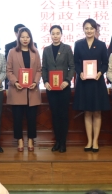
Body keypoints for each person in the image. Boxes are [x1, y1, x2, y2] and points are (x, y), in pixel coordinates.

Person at [73, 18, 110, 152]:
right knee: (87, 112)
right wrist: (80, 72)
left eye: (91, 28)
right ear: (83, 29)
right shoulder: (78, 44)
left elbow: (105, 63)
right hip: (84, 82)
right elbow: (76, 62)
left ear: (95, 30)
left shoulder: (101, 45)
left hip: (97, 82)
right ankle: (89, 141)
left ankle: (95, 141)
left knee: (97, 112)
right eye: (86, 28)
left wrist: (100, 72)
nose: (89, 31)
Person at [7, 27, 42, 152]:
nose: (25, 39)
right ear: (18, 38)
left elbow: (39, 70)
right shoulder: (12, 52)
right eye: (22, 37)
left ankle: (31, 140)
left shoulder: (35, 52)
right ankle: (20, 140)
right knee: (17, 118)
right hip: (18, 90)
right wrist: (15, 82)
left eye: (27, 37)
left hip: (32, 91)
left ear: (30, 38)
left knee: (32, 118)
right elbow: (9, 70)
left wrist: (35, 82)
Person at [42, 25, 74, 153]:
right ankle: (57, 142)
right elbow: (44, 68)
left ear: (61, 34)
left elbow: (72, 66)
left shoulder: (67, 48)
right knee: (54, 115)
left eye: (57, 33)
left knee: (63, 115)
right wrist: (45, 82)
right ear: (50, 35)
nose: (55, 36)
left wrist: (67, 80)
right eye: (53, 33)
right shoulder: (46, 50)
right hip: (51, 88)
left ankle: (63, 142)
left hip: (63, 88)